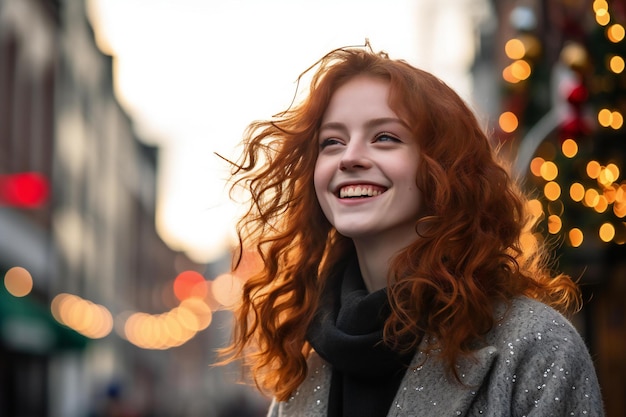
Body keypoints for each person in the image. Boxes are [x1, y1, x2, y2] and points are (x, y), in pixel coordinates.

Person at [222, 43, 604, 417]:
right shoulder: (303, 371)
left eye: (385, 137)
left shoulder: (536, 348)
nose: (351, 157)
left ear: (444, 169)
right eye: (332, 142)